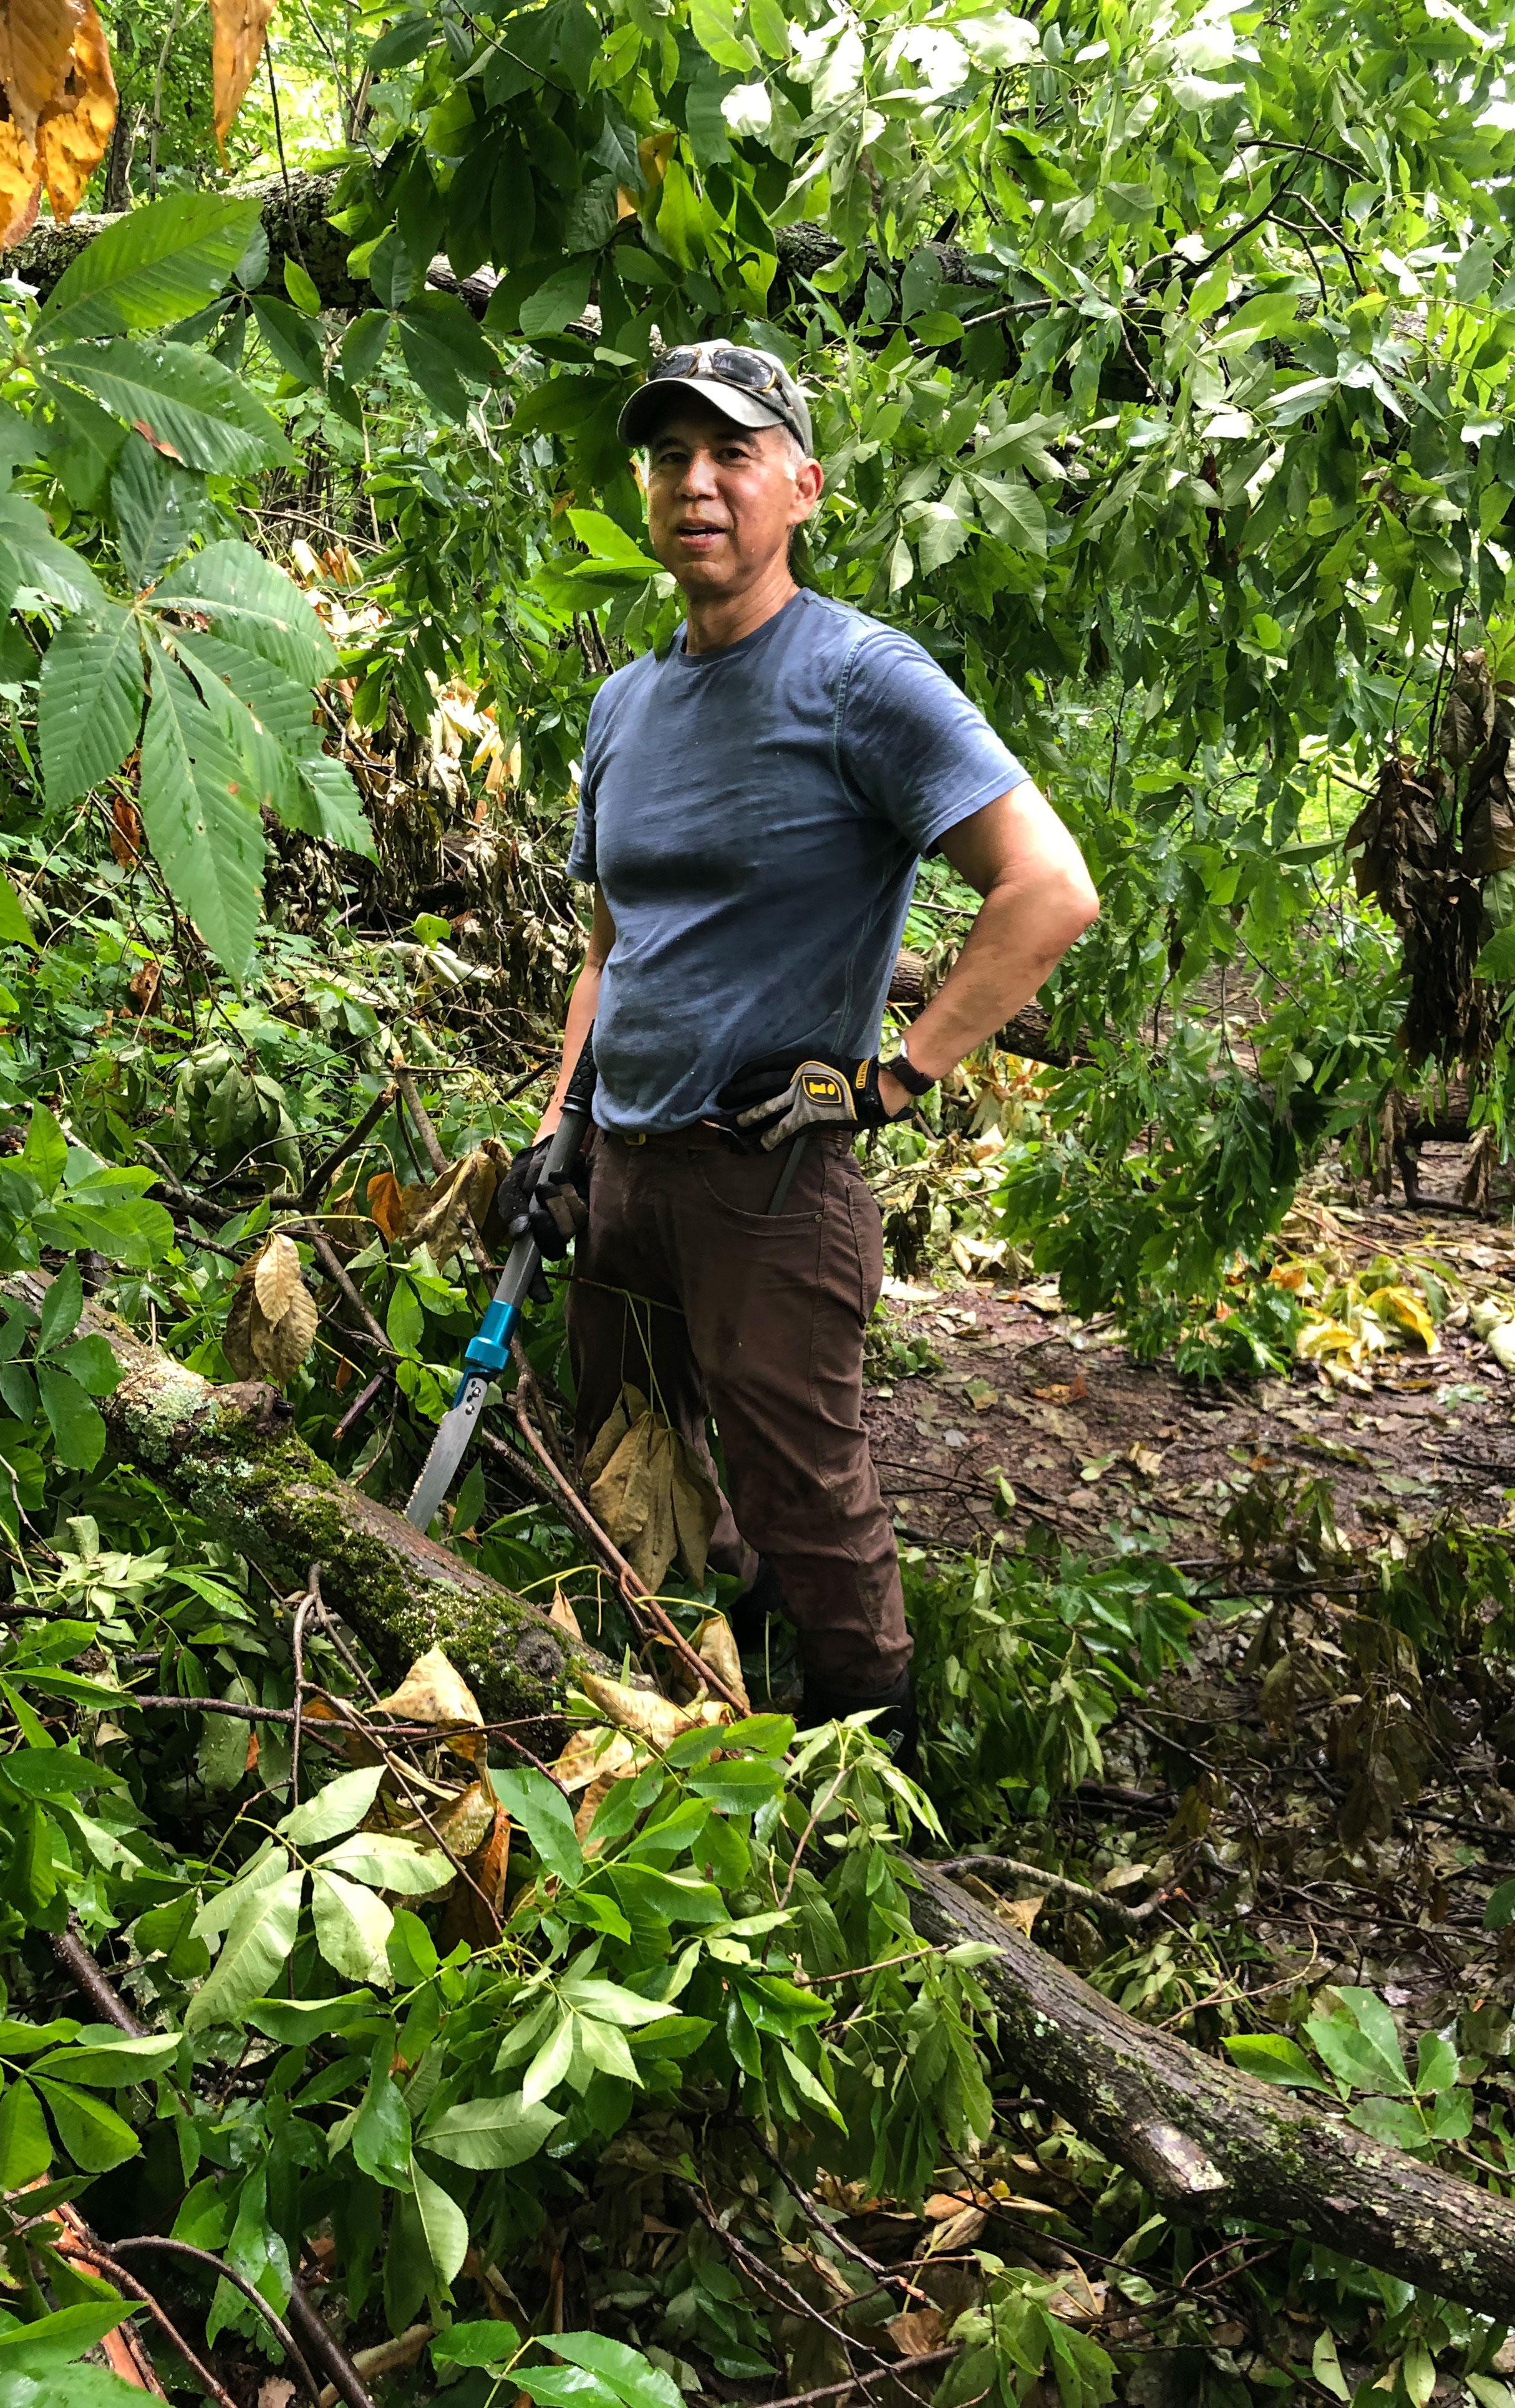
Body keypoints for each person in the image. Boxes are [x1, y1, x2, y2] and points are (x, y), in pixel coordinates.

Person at [505, 339, 1098, 1760]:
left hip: (770, 1184)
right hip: (626, 1172)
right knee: (639, 1457)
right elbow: (610, 947)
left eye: (731, 455)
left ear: (803, 487)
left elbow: (1049, 888)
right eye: (668, 457)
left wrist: (895, 1078)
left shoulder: (859, 679)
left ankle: (869, 1790)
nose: (694, 485)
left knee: (806, 1495)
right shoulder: (626, 705)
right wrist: (554, 1127)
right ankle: (702, 1712)